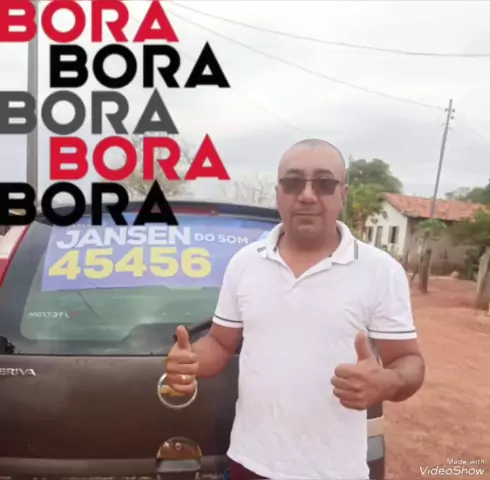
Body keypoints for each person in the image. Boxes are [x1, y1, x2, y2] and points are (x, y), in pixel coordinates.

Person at [164, 139, 425, 480]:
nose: (307, 195)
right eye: (293, 182)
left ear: (342, 194)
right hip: (250, 463)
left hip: (334, 471)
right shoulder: (245, 263)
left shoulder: (380, 271)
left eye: (324, 183)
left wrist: (389, 381)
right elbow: (220, 343)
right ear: (278, 193)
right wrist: (192, 361)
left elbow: (409, 361)